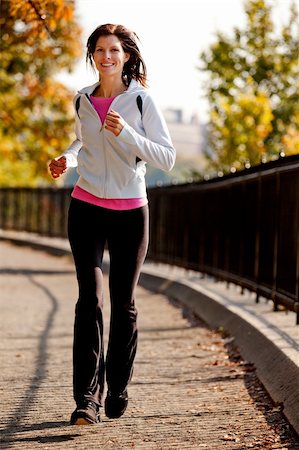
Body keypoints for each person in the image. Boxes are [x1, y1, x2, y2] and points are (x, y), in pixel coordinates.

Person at [49, 23, 176, 425]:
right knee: (89, 301)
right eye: (100, 50)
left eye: (114, 50)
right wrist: (66, 160)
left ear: (126, 57)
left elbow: (166, 157)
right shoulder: (82, 99)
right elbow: (81, 142)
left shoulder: (141, 102)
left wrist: (129, 137)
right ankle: (86, 399)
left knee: (124, 304)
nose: (107, 56)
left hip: (129, 212)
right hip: (85, 206)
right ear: (92, 55)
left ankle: (118, 385)